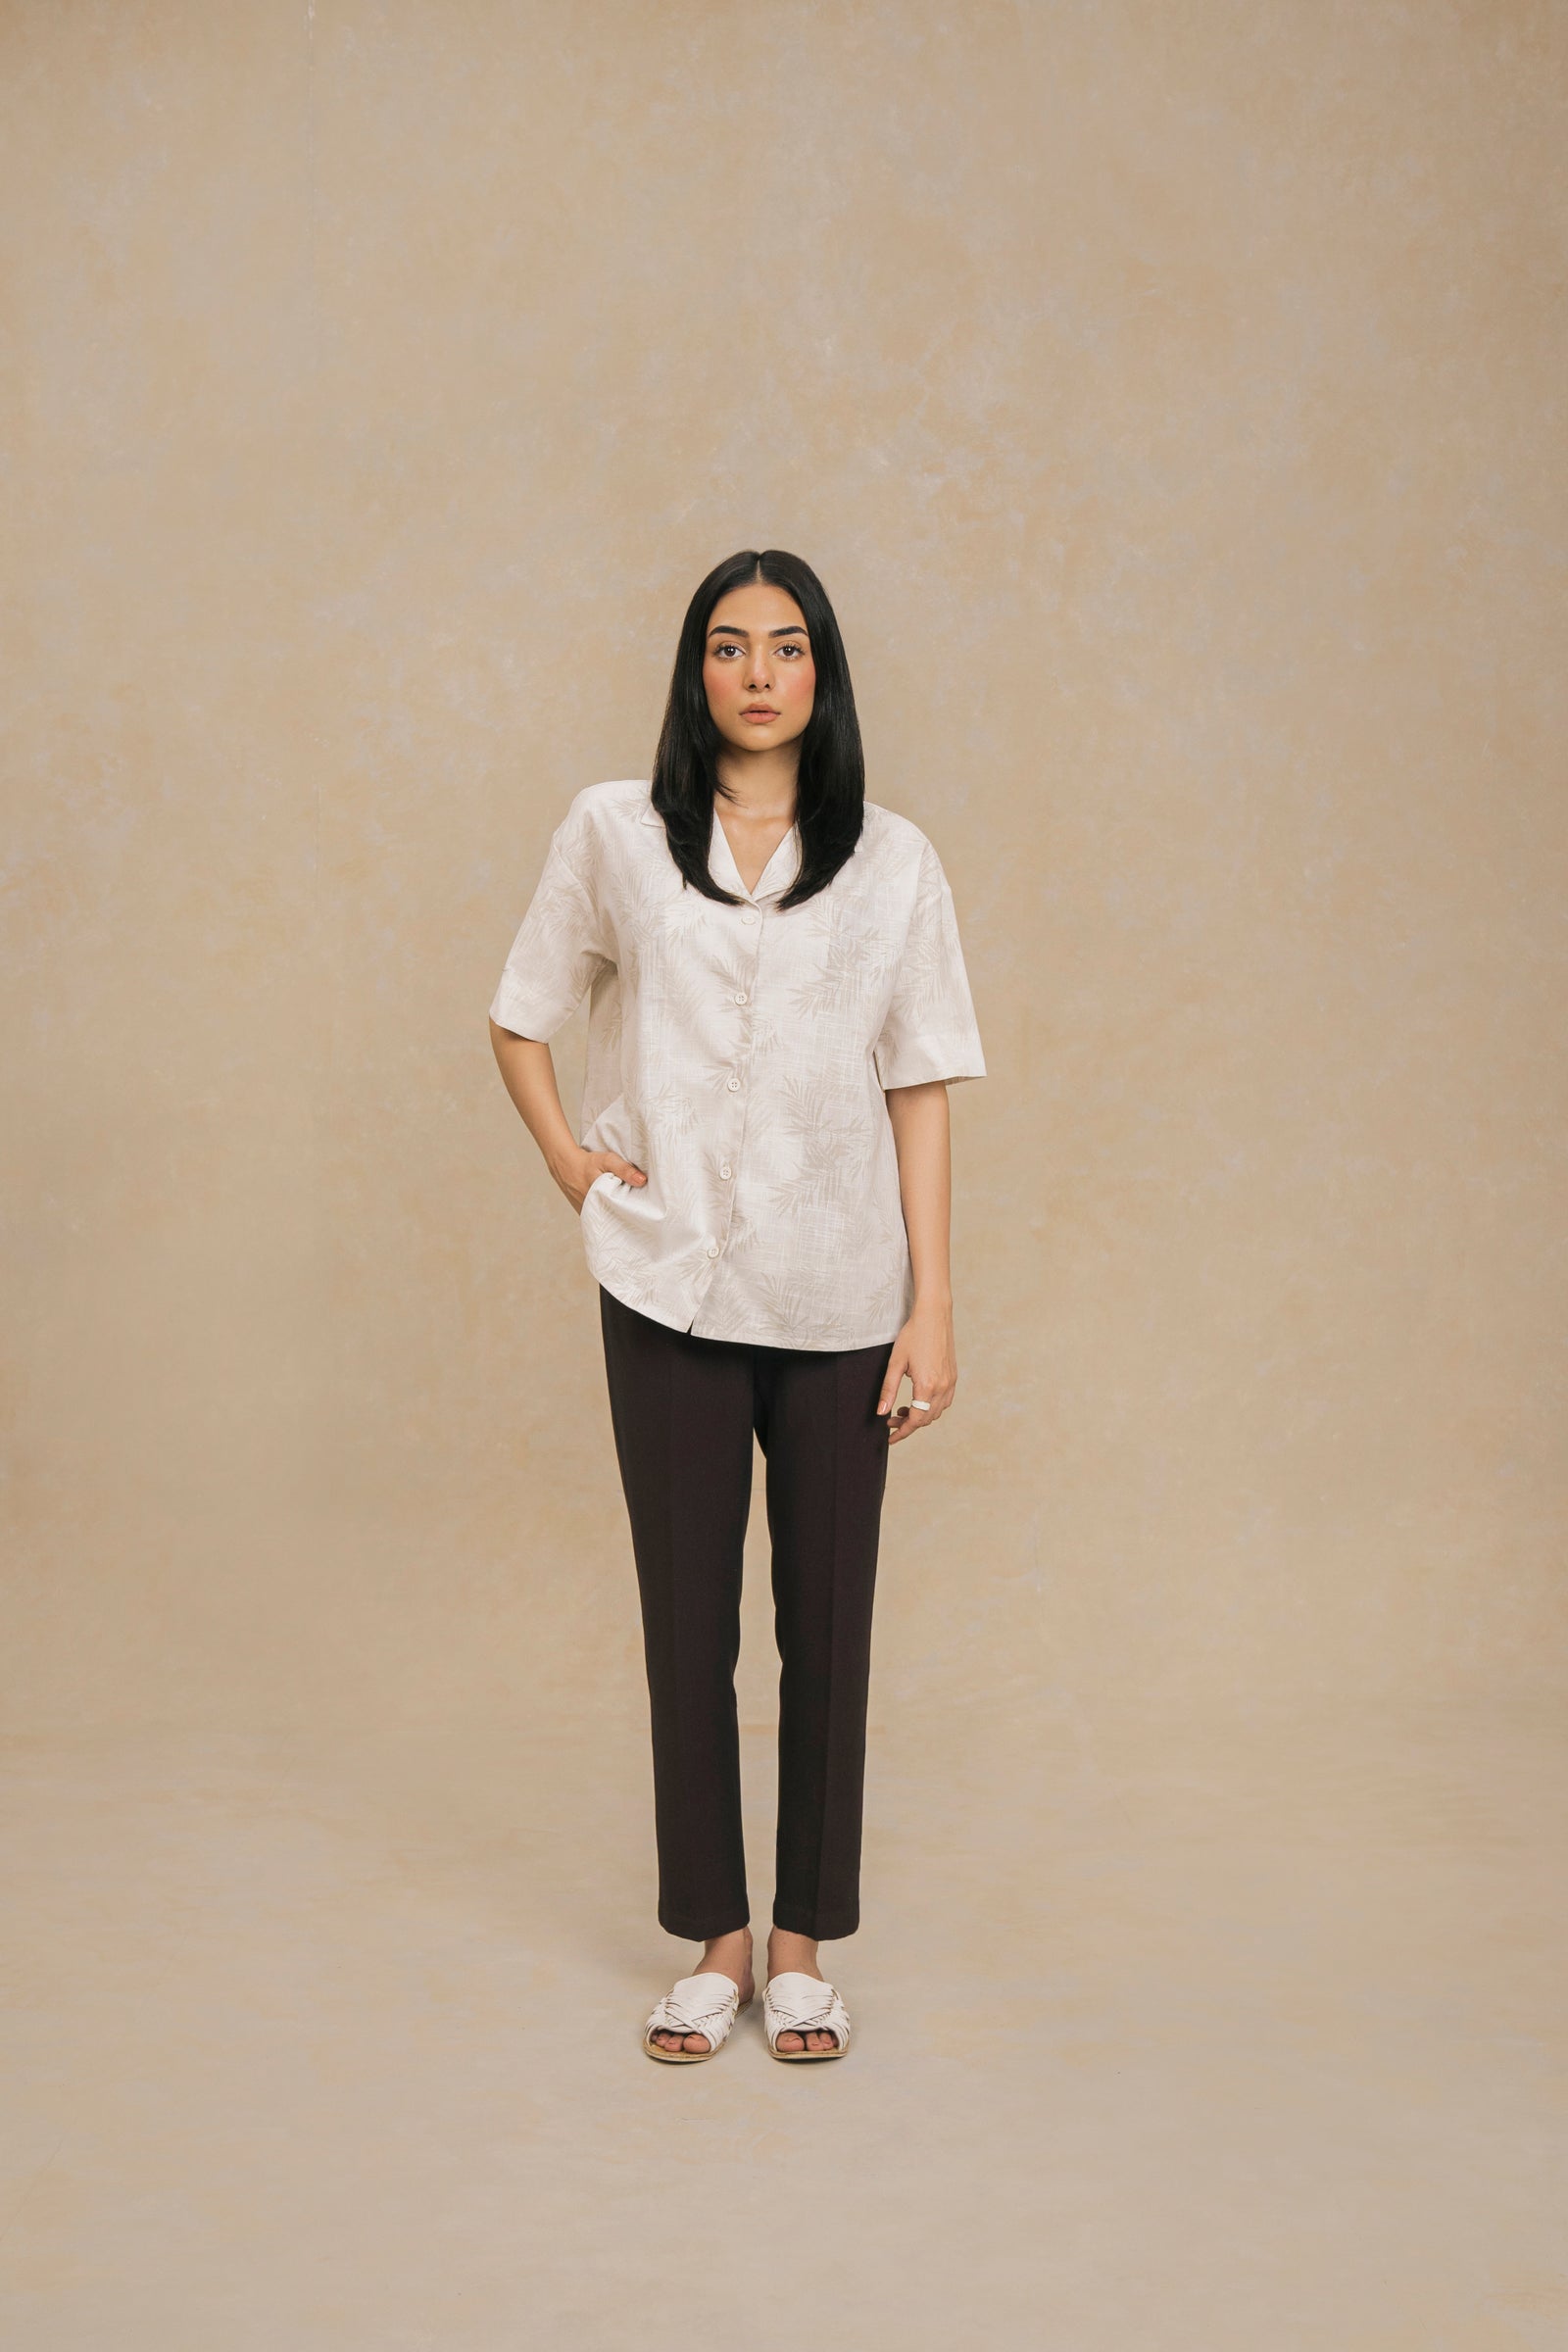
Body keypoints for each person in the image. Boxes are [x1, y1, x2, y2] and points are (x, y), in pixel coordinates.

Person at [487, 548, 986, 2063]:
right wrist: (574, 1162)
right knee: (686, 1625)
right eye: (727, 644)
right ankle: (715, 1943)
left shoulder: (893, 861)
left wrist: (934, 1303)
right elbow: (521, 1014)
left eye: (785, 645)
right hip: (669, 1290)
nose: (757, 672)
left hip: (843, 1298)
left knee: (827, 1630)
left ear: (823, 670)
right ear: (693, 670)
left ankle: (803, 1947)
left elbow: (919, 1084)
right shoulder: (616, 833)